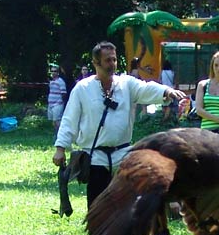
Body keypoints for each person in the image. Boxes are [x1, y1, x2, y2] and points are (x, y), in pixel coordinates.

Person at [53, 41, 184, 207]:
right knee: (97, 208)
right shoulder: (82, 89)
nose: (112, 64)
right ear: (96, 63)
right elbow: (69, 120)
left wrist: (166, 91)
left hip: (123, 157)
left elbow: (146, 89)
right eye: (108, 60)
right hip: (96, 159)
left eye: (114, 59)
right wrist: (60, 148)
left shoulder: (126, 83)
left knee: (126, 208)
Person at [47, 64, 67, 135]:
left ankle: (61, 135)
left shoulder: (61, 81)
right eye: (52, 71)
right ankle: (56, 135)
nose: (53, 73)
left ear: (58, 72)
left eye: (55, 71)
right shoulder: (51, 82)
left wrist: (60, 102)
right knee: (53, 122)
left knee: (57, 121)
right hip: (51, 104)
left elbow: (64, 93)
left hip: (58, 104)